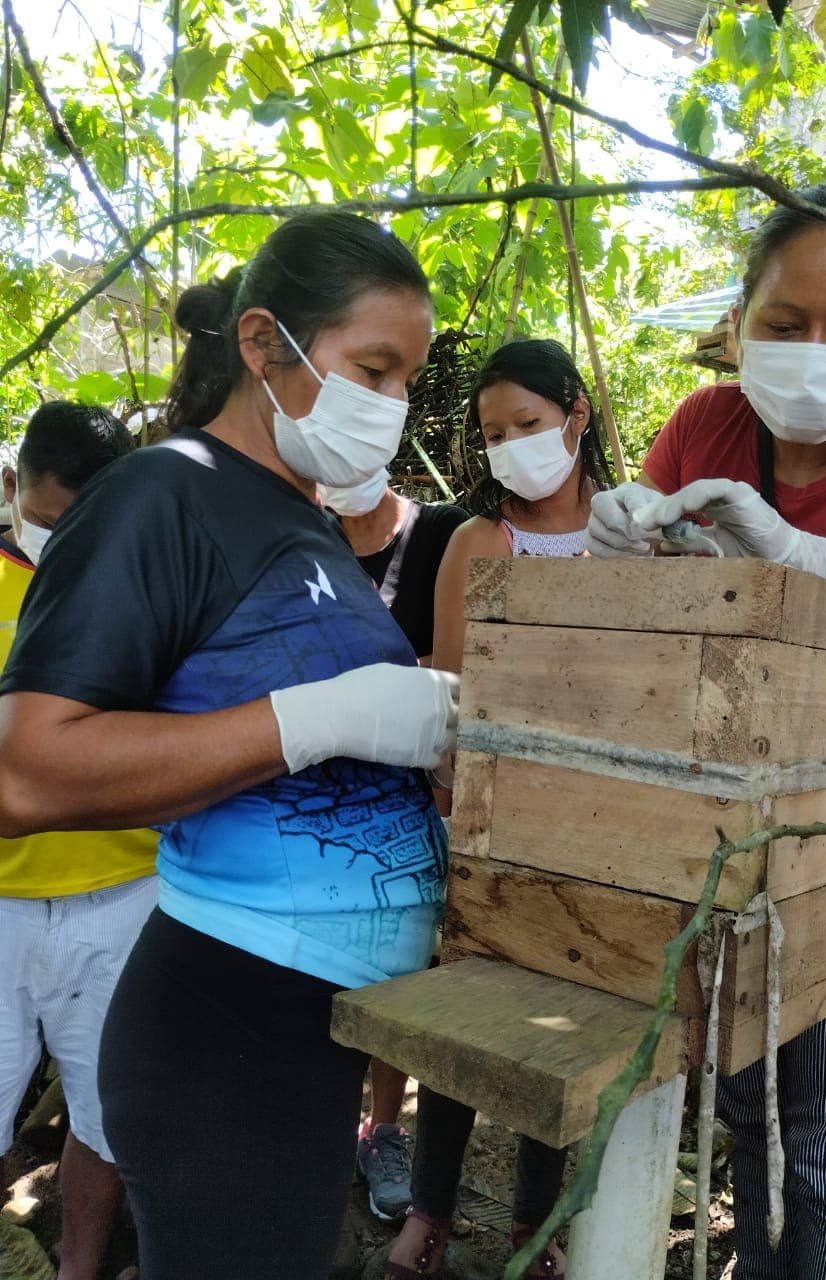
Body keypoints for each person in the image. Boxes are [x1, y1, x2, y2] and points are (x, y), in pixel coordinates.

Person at [0, 210, 459, 1280]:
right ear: (264, 346)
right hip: (222, 1022)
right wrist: (324, 719)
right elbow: (25, 766)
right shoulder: (166, 493)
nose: (390, 407)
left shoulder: (305, 519)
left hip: (306, 1028)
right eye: (372, 370)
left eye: (406, 383)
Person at [585, 181, 826, 1280]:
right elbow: (650, 625)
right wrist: (628, 546)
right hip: (734, 831)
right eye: (783, 324)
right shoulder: (709, 425)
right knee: (756, 1122)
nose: (811, 351)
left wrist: (802, 557)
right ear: (741, 318)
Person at [385, 338, 615, 1280]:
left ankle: (536, 1224)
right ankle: (429, 1215)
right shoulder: (479, 542)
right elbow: (450, 688)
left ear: (577, 415)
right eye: (493, 433)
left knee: (561, 1029)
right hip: (491, 817)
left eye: (528, 424)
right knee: (468, 1015)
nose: (512, 445)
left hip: (606, 827)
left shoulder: (633, 529)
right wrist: (453, 811)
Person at [0, 402, 158, 1280]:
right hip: (1, 905)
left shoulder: (146, 591)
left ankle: (78, 1269)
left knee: (103, 1118)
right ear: (13, 488)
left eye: (82, 525)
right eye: (48, 519)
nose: (62, 541)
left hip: (126, 894)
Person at [326, 470, 469, 1220]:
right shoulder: (304, 541)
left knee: (397, 974)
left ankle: (383, 1128)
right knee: (322, 973)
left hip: (422, 798)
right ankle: (322, 1133)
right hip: (324, 798)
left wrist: (352, 691)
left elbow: (460, 669)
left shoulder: (443, 533)